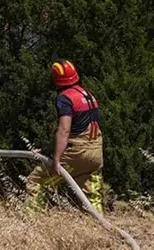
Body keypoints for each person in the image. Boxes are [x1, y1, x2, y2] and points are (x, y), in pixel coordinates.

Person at [26, 60, 105, 213]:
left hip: (76, 153)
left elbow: (64, 131)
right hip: (96, 153)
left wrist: (55, 160)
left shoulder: (65, 98)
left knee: (36, 182)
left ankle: (30, 223)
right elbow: (83, 128)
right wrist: (48, 149)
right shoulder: (88, 95)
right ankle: (97, 227)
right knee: (92, 196)